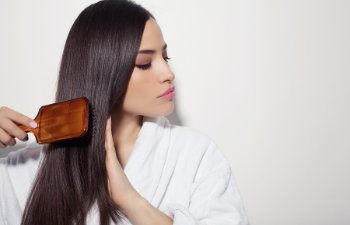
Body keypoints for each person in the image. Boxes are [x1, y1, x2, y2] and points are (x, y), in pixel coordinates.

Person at [0, 0, 250, 224]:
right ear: (102, 72)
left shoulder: (196, 156)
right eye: (144, 63)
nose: (168, 74)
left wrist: (130, 200)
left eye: (166, 57)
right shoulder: (23, 170)